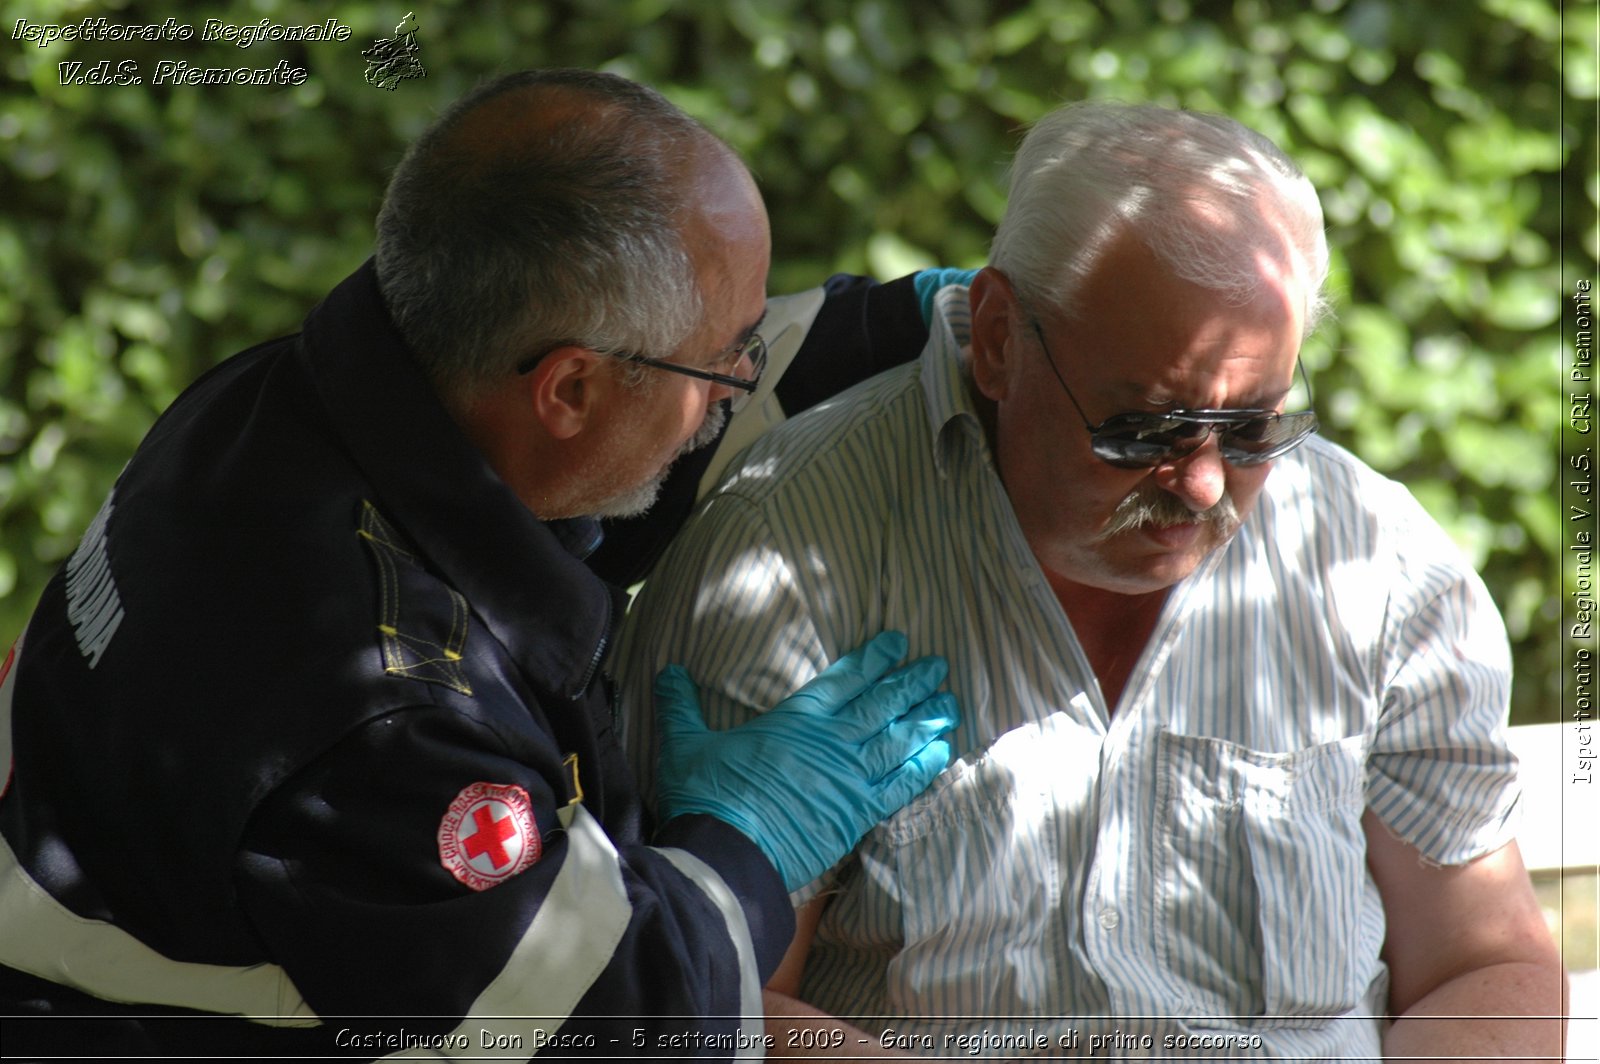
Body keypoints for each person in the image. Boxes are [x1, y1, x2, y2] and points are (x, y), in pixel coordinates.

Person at [0, 69, 963, 1058]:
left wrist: (899, 327)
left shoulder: (287, 402)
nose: (744, 381)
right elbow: (613, 1025)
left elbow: (579, 474)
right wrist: (746, 841)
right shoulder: (388, 715)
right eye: (732, 355)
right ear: (570, 388)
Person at [616, 101, 1568, 1058]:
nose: (1201, 486)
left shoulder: (1378, 564)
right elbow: (709, 998)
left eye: (1253, 429)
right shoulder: (788, 548)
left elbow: (1484, 964)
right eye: (1141, 431)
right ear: (996, 340)